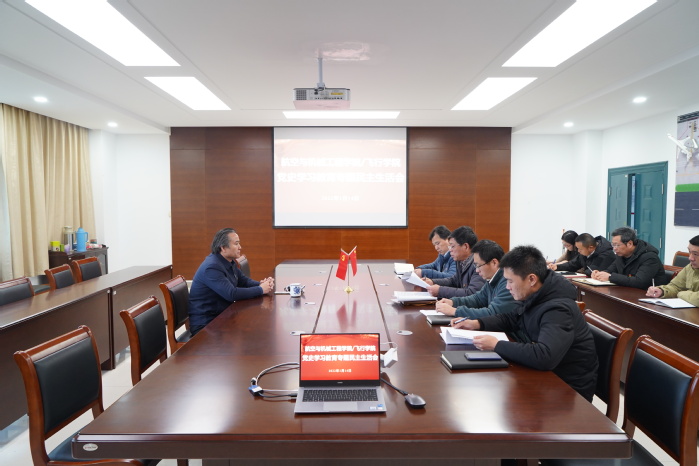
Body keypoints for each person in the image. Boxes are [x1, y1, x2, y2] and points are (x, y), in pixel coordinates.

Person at [452, 245, 598, 401]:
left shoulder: (558, 309)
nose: (507, 287)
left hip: (568, 392)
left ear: (531, 279)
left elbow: (545, 356)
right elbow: (511, 318)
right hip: (548, 377)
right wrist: (477, 323)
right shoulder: (537, 293)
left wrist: (496, 345)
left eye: (510, 281)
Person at [188, 228, 274, 335]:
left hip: (221, 317)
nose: (240, 247)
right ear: (223, 248)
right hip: (206, 324)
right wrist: (260, 289)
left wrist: (262, 284)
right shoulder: (212, 267)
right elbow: (231, 294)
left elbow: (244, 281)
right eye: (236, 244)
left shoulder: (228, 261)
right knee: (252, 333)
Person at [435, 239, 520, 319]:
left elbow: (493, 313)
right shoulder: (492, 278)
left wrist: (455, 311)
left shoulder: (507, 283)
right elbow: (477, 299)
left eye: (478, 265)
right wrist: (453, 302)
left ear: (494, 263)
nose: (477, 270)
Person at [591, 227, 665, 289]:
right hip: (627, 292)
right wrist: (600, 274)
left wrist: (610, 277)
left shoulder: (650, 257)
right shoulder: (621, 255)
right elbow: (610, 270)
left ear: (630, 244)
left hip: (648, 296)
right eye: (613, 245)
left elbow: (640, 282)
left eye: (617, 245)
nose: (614, 248)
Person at [423, 226, 485, 298]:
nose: (450, 250)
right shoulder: (461, 261)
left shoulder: (479, 264)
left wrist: (440, 291)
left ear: (465, 246)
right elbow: (453, 281)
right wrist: (432, 282)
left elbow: (472, 293)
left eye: (452, 246)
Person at [646, 235, 699, 306]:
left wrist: (681, 294)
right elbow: (676, 286)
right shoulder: (690, 267)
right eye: (689, 252)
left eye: (695, 254)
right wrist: (662, 291)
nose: (690, 258)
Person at [549, 233, 615, 277]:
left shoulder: (605, 254)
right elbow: (573, 264)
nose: (578, 251)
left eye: (580, 249)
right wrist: (557, 267)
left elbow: (591, 271)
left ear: (590, 247)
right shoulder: (584, 252)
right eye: (577, 248)